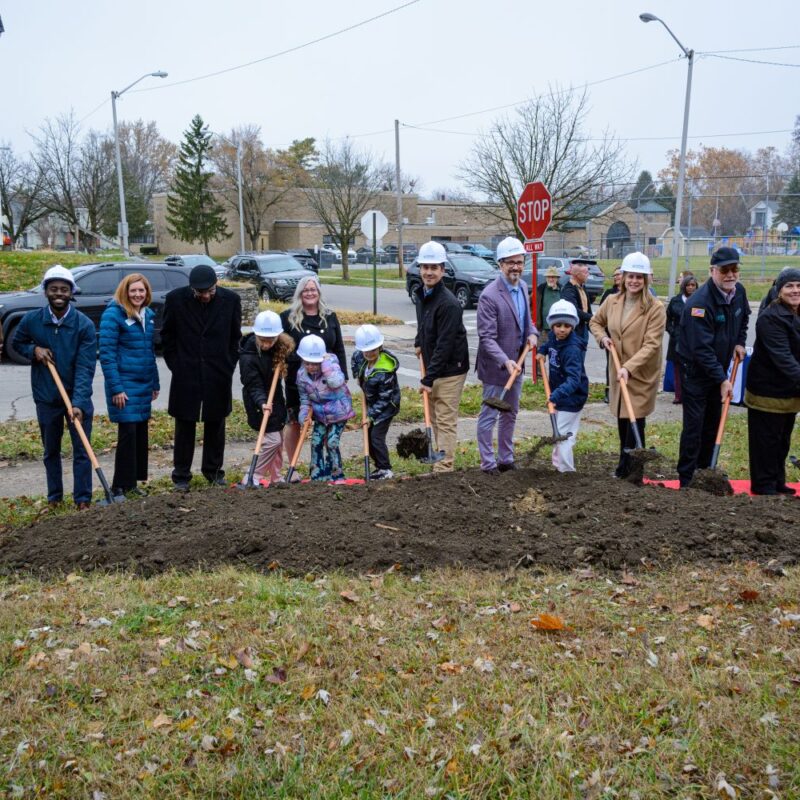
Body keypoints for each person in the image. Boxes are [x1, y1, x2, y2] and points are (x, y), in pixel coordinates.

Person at [12, 265, 96, 509]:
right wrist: (34, 350)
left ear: (71, 293)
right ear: (46, 292)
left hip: (75, 396)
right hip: (47, 397)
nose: (59, 293)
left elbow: (85, 368)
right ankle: (55, 498)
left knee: (82, 450)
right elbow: (18, 343)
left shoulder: (83, 325)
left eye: (64, 289)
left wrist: (79, 403)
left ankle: (83, 499)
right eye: (53, 289)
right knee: (51, 451)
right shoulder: (32, 320)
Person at [161, 264, 242, 491]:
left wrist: (227, 365)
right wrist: (177, 366)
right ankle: (181, 475)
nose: (205, 296)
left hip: (218, 373)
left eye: (209, 291)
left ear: (216, 284)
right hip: (186, 373)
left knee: (216, 423)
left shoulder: (231, 300)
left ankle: (214, 472)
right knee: (185, 424)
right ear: (191, 289)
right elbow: (167, 336)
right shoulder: (176, 300)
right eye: (200, 293)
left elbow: (235, 338)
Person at [675, 246, 750, 488]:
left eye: (734, 269)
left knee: (712, 424)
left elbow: (744, 317)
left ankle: (705, 472)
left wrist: (739, 341)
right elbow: (701, 350)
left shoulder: (739, 293)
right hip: (696, 372)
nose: (730, 275)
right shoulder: (699, 303)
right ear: (712, 271)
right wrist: (722, 379)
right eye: (724, 270)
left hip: (717, 371)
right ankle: (687, 479)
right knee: (694, 427)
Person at [590, 252, 666, 479]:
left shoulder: (655, 308)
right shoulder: (612, 301)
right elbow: (595, 322)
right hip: (617, 368)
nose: (634, 281)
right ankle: (624, 465)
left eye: (639, 277)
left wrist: (629, 367)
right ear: (622, 277)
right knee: (623, 418)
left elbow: (652, 344)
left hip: (640, 372)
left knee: (636, 418)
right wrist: (603, 338)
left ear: (646, 279)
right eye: (630, 276)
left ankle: (632, 471)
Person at [476, 236, 538, 474]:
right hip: (496, 368)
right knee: (489, 415)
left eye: (519, 261)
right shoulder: (489, 296)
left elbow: (527, 321)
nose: (516, 267)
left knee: (510, 413)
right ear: (500, 264)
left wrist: (532, 333)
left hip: (517, 364)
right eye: (510, 262)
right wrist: (505, 361)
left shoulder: (522, 287)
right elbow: (487, 338)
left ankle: (505, 459)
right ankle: (488, 463)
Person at [98, 273, 160, 497]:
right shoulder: (112, 316)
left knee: (140, 434)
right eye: (133, 290)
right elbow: (107, 355)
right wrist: (117, 388)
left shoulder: (148, 315)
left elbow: (149, 352)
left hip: (143, 385)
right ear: (125, 292)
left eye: (141, 291)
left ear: (147, 293)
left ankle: (132, 484)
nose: (137, 294)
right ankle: (118, 487)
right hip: (124, 386)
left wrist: (155, 382)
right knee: (128, 434)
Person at [414, 240, 470, 472]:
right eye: (425, 267)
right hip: (433, 365)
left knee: (445, 419)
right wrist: (419, 342)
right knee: (435, 417)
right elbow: (424, 324)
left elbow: (445, 345)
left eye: (434, 267)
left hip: (450, 368)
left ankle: (444, 468)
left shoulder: (449, 304)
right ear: (420, 268)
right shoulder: (422, 294)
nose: (428, 272)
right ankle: (438, 458)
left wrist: (428, 379)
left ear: (442, 270)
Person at [281, 275, 347, 466]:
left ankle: (328, 465)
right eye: (306, 290)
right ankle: (293, 466)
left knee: (326, 423)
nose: (310, 293)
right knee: (294, 422)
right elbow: (282, 349)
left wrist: (342, 377)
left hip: (328, 383)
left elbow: (340, 348)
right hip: (298, 381)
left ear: (318, 292)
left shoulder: (330, 316)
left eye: (313, 290)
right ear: (300, 294)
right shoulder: (288, 318)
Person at [745, 268, 800, 495]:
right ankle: (763, 484)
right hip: (767, 392)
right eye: (789, 286)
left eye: (798, 286)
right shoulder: (771, 317)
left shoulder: (796, 313)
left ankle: (777, 481)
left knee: (782, 441)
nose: (795, 290)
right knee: (766, 442)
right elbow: (783, 358)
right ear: (779, 290)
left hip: (790, 392)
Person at [239, 310, 295, 487]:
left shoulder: (280, 347)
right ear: (256, 334)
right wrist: (262, 402)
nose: (266, 344)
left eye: (271, 340)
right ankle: (252, 475)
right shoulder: (248, 356)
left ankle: (276, 477)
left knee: (278, 441)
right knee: (273, 441)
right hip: (259, 403)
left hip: (276, 400)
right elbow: (252, 384)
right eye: (263, 339)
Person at [538, 300, 588, 472]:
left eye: (566, 325)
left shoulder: (572, 350)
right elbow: (549, 344)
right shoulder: (554, 337)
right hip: (560, 394)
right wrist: (542, 351)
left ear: (572, 327)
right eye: (558, 325)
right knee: (562, 432)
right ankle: (558, 464)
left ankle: (566, 471)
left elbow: (574, 380)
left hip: (571, 396)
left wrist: (556, 395)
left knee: (563, 435)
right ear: (552, 326)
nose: (561, 329)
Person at [296, 334, 354, 481]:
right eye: (307, 363)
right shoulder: (302, 375)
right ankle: (317, 475)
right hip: (320, 415)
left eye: (315, 363)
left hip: (339, 412)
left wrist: (327, 366)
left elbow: (336, 382)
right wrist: (303, 416)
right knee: (316, 441)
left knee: (332, 442)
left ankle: (336, 474)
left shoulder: (331, 366)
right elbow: (305, 399)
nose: (311, 367)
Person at [351, 324, 401, 480]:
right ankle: (379, 466)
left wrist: (370, 416)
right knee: (368, 434)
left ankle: (386, 469)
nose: (370, 354)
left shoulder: (385, 371)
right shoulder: (360, 356)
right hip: (372, 401)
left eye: (373, 350)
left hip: (387, 406)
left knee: (376, 436)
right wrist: (358, 377)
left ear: (380, 347)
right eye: (366, 351)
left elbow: (384, 398)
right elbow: (355, 362)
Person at [665, 274, 698, 404]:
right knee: (678, 369)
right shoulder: (675, 301)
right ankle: (679, 395)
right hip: (677, 341)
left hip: (694, 340)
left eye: (693, 285)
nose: (690, 288)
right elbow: (668, 320)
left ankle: (691, 395)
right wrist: (673, 332)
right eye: (688, 285)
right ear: (683, 286)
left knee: (692, 369)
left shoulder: (699, 301)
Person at [598, 268, 623, 402]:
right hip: (611, 336)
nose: (616, 277)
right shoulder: (609, 294)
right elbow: (600, 316)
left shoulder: (631, 293)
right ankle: (609, 391)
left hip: (626, 337)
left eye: (618, 274)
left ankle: (623, 390)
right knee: (611, 363)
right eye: (614, 275)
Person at [560, 257, 595, 343]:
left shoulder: (582, 286)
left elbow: (587, 308)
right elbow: (575, 311)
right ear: (577, 274)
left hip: (584, 329)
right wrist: (593, 318)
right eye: (585, 273)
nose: (588, 275)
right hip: (574, 331)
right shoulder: (568, 289)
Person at [536, 266, 561, 337]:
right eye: (548, 277)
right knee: (543, 347)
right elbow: (529, 303)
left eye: (553, 277)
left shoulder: (562, 290)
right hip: (543, 328)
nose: (551, 279)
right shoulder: (540, 289)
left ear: (557, 278)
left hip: (558, 327)